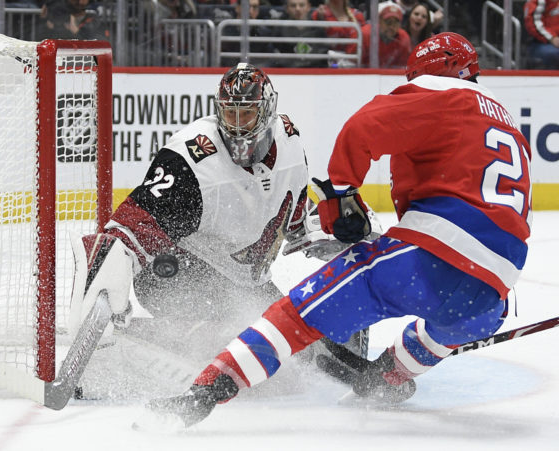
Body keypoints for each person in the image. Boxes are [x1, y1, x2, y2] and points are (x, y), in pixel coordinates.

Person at [136, 32, 532, 429]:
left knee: (296, 316)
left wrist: (340, 194)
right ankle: (388, 377)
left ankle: (205, 390)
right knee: (445, 329)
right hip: (495, 290)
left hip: (422, 263)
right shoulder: (507, 121)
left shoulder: (437, 91)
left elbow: (363, 127)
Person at [68, 64, 313, 392]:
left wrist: (320, 230)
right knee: (228, 340)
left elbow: (296, 211)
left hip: (243, 279)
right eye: (230, 114)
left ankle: (179, 333)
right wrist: (109, 261)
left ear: (268, 112)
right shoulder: (190, 160)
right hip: (173, 269)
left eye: (247, 115)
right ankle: (179, 335)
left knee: (301, 350)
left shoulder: (291, 139)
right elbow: (130, 226)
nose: (237, 127)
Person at [271, 0, 329, 68]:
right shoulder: (279, 30)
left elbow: (322, 57)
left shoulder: (318, 30)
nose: (297, 9)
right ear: (287, 8)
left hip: (314, 71)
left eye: (301, 5)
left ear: (309, 7)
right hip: (287, 72)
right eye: (293, 6)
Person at [219, 0, 273, 66]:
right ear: (237, 8)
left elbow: (269, 60)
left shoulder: (264, 34)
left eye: (255, 7)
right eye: (247, 6)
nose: (250, 11)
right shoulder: (224, 31)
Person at [361, 1, 411, 68]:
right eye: (388, 22)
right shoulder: (365, 34)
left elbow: (402, 68)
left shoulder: (404, 38)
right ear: (379, 21)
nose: (391, 27)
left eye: (395, 23)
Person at [37, 0, 109, 41]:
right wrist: (43, 21)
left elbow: (98, 47)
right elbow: (39, 41)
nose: (79, 1)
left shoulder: (93, 21)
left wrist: (76, 31)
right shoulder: (54, 18)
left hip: (81, 63)